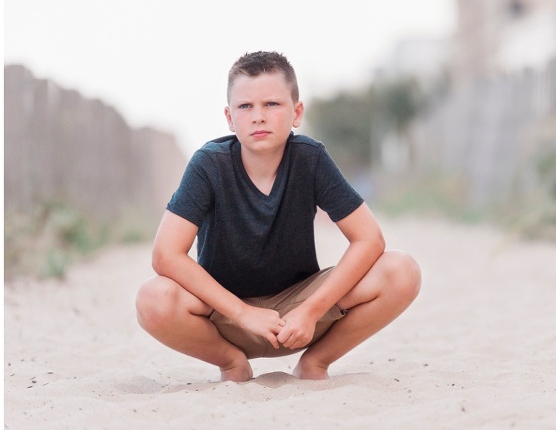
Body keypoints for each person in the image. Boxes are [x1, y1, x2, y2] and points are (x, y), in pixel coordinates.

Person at [135, 51, 421, 382]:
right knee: (152, 299)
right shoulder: (208, 165)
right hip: (225, 314)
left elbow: (369, 239)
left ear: (296, 112)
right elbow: (165, 254)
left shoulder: (310, 159)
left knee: (401, 271)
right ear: (229, 118)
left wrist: (310, 310)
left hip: (301, 313)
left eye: (272, 104)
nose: (258, 116)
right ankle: (231, 364)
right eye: (245, 107)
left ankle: (316, 362)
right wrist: (242, 312)